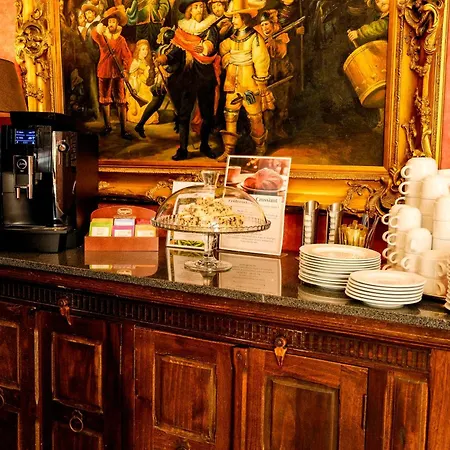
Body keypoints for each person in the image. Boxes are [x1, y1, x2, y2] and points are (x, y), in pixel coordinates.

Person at [154, 0, 220, 160]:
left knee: (207, 114)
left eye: (201, 6)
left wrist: (205, 47)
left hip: (204, 76)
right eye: (196, 7)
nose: (199, 9)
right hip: (187, 78)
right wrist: (164, 58)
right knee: (183, 115)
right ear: (189, 10)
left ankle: (205, 145)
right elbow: (175, 51)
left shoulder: (210, 26)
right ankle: (183, 149)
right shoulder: (182, 28)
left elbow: (212, 43)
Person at [216, 0, 274, 162]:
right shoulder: (231, 38)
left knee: (254, 116)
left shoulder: (255, 38)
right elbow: (222, 49)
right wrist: (229, 58)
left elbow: (261, 60)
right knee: (230, 115)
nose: (233, 20)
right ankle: (229, 150)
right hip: (232, 83)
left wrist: (261, 81)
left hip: (249, 84)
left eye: (235, 17)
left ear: (244, 18)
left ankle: (260, 147)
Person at [91, 5, 134, 139]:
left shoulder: (121, 40)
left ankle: (123, 129)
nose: (111, 24)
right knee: (105, 100)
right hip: (104, 71)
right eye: (109, 22)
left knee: (121, 100)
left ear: (117, 24)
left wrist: (126, 69)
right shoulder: (103, 37)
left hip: (118, 73)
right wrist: (98, 30)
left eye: (113, 22)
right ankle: (107, 126)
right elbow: (94, 35)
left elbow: (127, 56)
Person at [256, 10, 293, 139]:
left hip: (280, 72)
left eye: (267, 24)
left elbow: (282, 53)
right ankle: (268, 131)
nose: (265, 27)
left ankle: (278, 127)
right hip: (266, 74)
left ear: (272, 24)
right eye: (262, 25)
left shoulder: (281, 34)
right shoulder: (257, 35)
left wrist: (275, 43)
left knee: (281, 103)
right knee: (266, 105)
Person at [135, 27, 178, 137]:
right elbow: (166, 64)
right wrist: (167, 70)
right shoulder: (166, 49)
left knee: (161, 102)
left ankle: (140, 124)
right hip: (164, 79)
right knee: (157, 102)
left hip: (167, 78)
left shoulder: (164, 48)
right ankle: (140, 124)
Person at [127, 39, 156, 123]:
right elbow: (132, 75)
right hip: (138, 86)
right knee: (144, 99)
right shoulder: (136, 62)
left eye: (146, 49)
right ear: (138, 50)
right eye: (143, 49)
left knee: (150, 98)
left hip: (146, 84)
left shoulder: (146, 61)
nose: (145, 51)